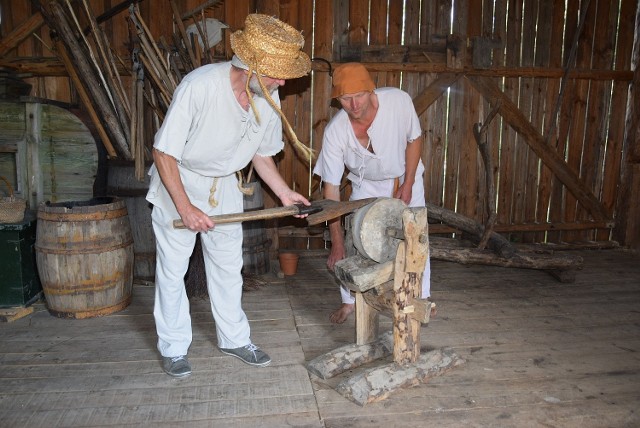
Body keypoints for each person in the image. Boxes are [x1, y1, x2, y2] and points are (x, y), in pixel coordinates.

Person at [146, 14, 312, 377]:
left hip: (224, 187)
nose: (282, 81)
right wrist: (185, 207)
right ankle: (174, 347)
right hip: (180, 182)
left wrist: (284, 193)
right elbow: (163, 153)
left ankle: (234, 338)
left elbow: (261, 152)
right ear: (250, 67)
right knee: (173, 271)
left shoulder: (267, 94)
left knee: (227, 268)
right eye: (276, 73)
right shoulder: (200, 86)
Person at [313, 62, 431, 324]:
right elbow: (331, 189)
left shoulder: (398, 101)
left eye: (359, 96)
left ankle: (419, 299)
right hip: (365, 184)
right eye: (346, 98)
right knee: (356, 240)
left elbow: (414, 139)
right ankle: (350, 302)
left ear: (371, 90)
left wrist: (409, 182)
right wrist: (337, 242)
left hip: (404, 176)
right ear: (337, 99)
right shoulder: (336, 132)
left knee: (415, 239)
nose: (354, 105)